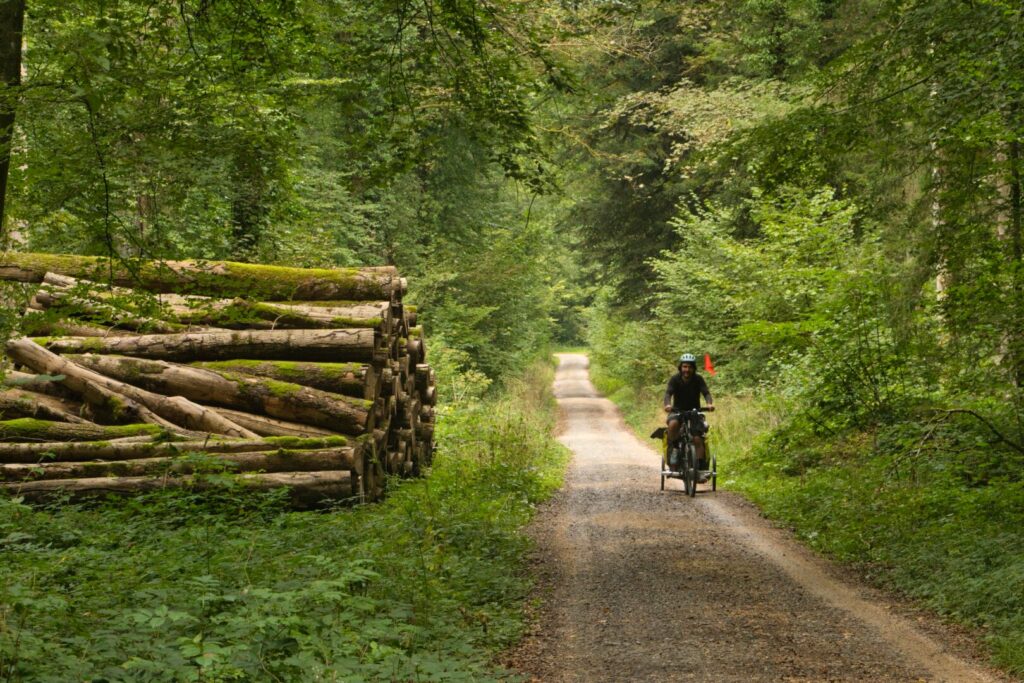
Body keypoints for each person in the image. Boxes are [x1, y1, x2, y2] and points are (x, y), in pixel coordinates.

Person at [663, 353, 714, 474]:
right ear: (680, 367)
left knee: (697, 438)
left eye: (690, 367)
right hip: (677, 411)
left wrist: (709, 404)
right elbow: (668, 393)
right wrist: (667, 405)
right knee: (673, 425)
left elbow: (706, 393)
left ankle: (700, 468)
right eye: (685, 367)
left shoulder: (698, 379)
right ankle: (674, 449)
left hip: (694, 412)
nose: (687, 370)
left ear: (694, 368)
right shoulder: (675, 379)